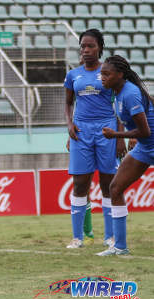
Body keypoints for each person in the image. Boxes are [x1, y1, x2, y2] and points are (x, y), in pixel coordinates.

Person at [64, 29, 126, 249]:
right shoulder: (73, 75)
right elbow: (68, 103)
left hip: (106, 130)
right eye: (82, 46)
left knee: (108, 184)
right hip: (81, 131)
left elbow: (119, 105)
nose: (86, 50)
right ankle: (77, 238)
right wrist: (70, 126)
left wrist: (120, 137)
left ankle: (110, 236)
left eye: (90, 46)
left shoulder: (109, 73)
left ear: (100, 47)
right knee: (80, 183)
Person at [96, 55, 154, 256]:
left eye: (106, 74)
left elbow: (145, 131)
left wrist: (116, 135)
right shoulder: (116, 92)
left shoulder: (129, 94)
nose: (102, 78)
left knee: (114, 187)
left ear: (119, 75)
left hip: (148, 141)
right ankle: (119, 247)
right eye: (101, 73)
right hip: (146, 147)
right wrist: (127, 134)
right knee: (115, 187)